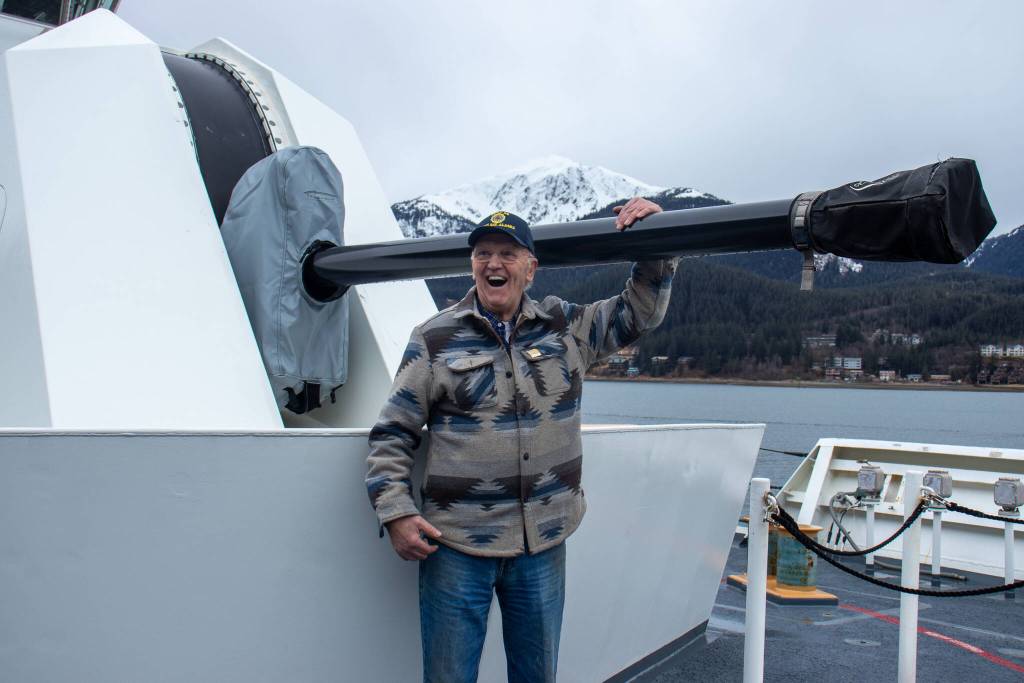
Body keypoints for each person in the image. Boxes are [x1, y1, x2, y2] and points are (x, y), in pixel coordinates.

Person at [366, 198, 675, 682]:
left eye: (507, 254)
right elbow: (392, 433)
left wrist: (656, 239)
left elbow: (639, 313)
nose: (494, 263)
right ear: (472, 265)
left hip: (543, 545)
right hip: (455, 548)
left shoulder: (564, 326)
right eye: (483, 254)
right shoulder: (433, 338)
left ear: (530, 269)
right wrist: (396, 512)